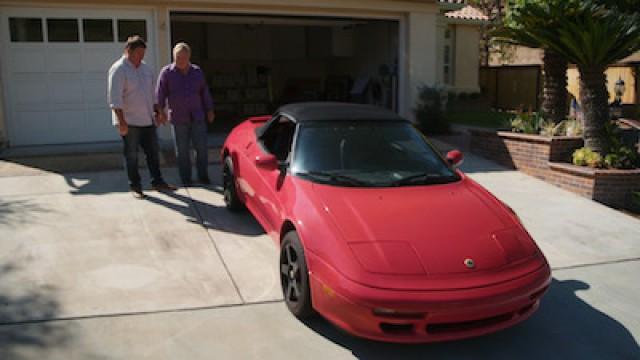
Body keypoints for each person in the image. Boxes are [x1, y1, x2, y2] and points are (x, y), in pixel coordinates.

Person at [108, 36, 176, 199]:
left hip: (147, 120)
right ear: (128, 51)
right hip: (129, 122)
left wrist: (158, 112)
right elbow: (115, 99)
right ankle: (135, 186)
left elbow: (153, 95)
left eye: (143, 53)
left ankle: (157, 181)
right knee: (131, 155)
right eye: (138, 53)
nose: (141, 57)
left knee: (153, 153)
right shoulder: (119, 69)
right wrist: (121, 121)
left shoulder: (146, 69)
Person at [156, 42, 215, 186]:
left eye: (183, 57)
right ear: (173, 57)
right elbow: (160, 94)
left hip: (198, 116)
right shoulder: (167, 72)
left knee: (201, 148)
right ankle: (186, 178)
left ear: (189, 57)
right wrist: (160, 112)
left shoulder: (197, 71)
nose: (180, 60)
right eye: (177, 57)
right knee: (182, 151)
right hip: (178, 117)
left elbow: (204, 92)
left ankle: (203, 175)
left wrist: (210, 109)